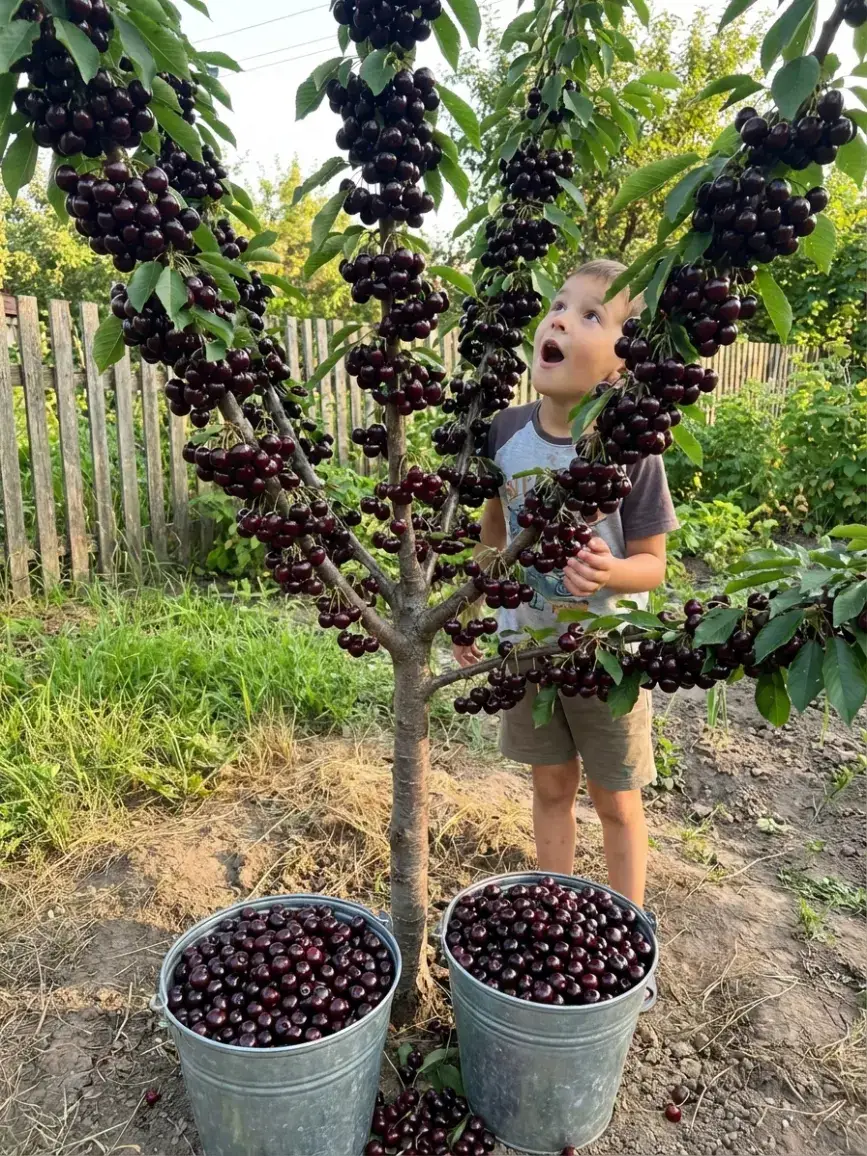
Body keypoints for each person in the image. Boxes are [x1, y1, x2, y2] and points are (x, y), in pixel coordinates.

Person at [454, 259, 678, 913]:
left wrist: (609, 572)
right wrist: (470, 610)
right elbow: (494, 535)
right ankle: (556, 908)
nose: (559, 319)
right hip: (525, 647)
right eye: (557, 305)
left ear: (621, 368)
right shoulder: (504, 431)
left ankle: (627, 920)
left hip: (605, 657)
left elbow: (652, 564)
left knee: (615, 798)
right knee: (550, 786)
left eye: (590, 315)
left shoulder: (632, 448)